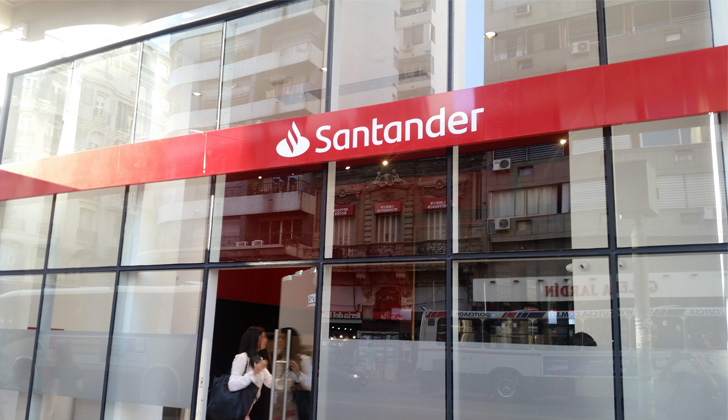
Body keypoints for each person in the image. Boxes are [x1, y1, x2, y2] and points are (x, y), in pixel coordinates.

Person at [229, 327, 273, 419]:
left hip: (245, 413)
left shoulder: (258, 360)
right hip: (236, 413)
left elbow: (270, 383)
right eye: (263, 337)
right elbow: (232, 385)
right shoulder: (242, 358)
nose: (266, 340)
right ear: (256, 339)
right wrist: (254, 372)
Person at [278, 328, 313, 420]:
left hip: (300, 403)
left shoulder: (303, 359)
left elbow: (310, 384)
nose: (279, 340)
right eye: (279, 337)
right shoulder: (282, 359)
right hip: (285, 403)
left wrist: (298, 373)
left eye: (283, 338)